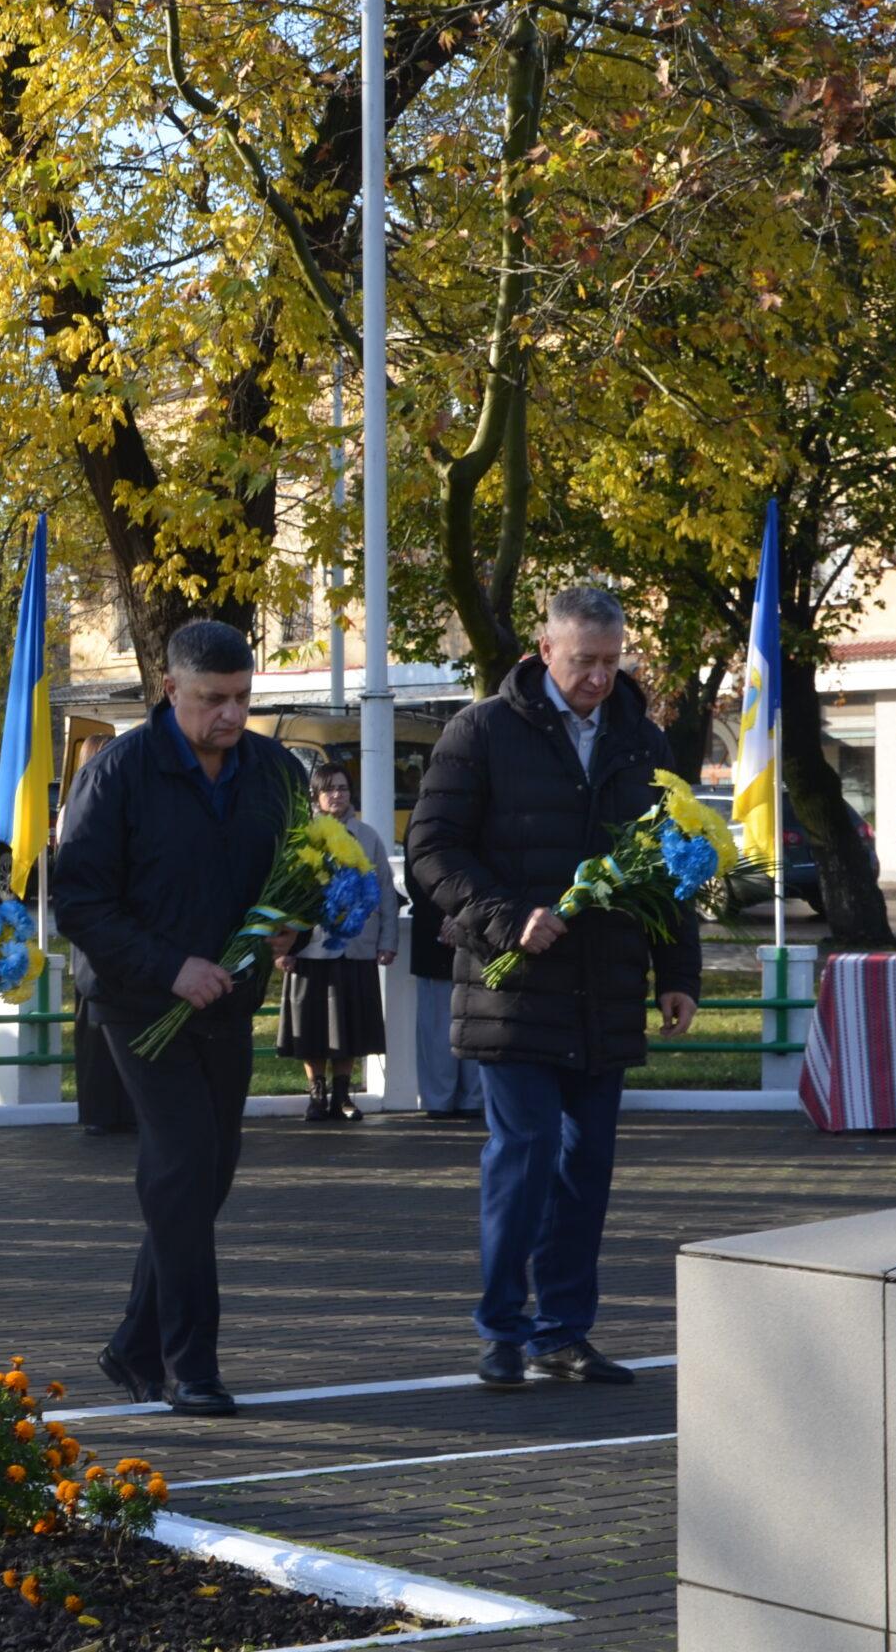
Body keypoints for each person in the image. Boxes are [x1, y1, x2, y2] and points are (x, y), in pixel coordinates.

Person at [407, 585, 703, 1391]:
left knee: (586, 1169)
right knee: (526, 1154)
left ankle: (563, 1332)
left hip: (602, 993)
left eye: (612, 661)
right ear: (545, 651)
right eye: (583, 662)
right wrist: (508, 919)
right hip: (512, 990)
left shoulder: (642, 742)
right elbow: (430, 850)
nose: (599, 678)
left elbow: (670, 864)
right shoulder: (483, 731)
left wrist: (677, 973)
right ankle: (501, 1328)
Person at [50, 621, 301, 1417]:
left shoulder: (274, 770)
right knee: (185, 1164)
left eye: (242, 700)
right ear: (170, 691)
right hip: (136, 1003)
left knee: (209, 1172)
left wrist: (296, 921)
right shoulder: (119, 772)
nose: (231, 717)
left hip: (228, 999)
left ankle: (132, 1343)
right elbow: (81, 899)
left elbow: (299, 867)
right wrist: (169, 967)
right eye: (213, 700)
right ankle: (189, 1364)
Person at [273, 764, 400, 1123]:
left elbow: (386, 893)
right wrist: (282, 948)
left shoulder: (368, 836)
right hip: (308, 946)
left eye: (343, 788)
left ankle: (343, 1094)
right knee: (311, 1025)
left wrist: (387, 940)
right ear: (316, 796)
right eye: (330, 790)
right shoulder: (302, 836)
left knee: (351, 1025)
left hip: (356, 945)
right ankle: (317, 1095)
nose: (338, 795)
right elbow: (283, 894)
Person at [55, 733, 133, 1138]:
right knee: (94, 1023)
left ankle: (125, 1106)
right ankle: (101, 1108)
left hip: (121, 929)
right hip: (94, 934)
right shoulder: (79, 807)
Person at [404, 865, 482, 1117]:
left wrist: (462, 917)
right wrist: (444, 918)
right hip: (433, 936)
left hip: (478, 936)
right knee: (436, 1024)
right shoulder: (421, 826)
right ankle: (439, 1098)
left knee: (478, 1020)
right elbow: (417, 877)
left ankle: (473, 1097)